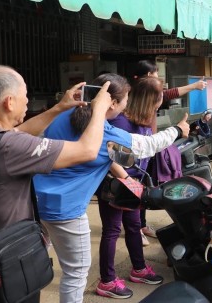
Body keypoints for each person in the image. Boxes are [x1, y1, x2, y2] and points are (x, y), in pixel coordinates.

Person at [33, 73, 189, 303]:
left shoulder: (63, 116)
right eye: (125, 98)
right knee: (76, 273)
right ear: (112, 103)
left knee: (37, 264)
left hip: (35, 202)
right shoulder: (105, 132)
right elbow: (147, 146)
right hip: (65, 210)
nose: (127, 103)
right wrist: (178, 130)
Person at [0, 66, 112, 303]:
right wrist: (99, 110)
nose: (27, 101)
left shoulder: (4, 139)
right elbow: (87, 150)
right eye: (25, 95)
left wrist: (60, 108)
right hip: (7, 258)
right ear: (9, 102)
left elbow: (18, 132)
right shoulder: (10, 146)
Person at [96, 76, 167, 299]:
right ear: (151, 99)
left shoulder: (144, 119)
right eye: (160, 96)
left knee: (134, 226)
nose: (163, 99)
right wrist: (127, 180)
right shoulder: (120, 122)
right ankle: (107, 281)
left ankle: (138, 268)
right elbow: (109, 156)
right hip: (116, 185)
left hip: (134, 185)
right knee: (112, 231)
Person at [132, 59, 206, 242]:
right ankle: (135, 229)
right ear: (149, 76)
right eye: (156, 74)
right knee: (137, 187)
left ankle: (139, 225)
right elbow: (169, 94)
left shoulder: (149, 95)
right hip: (138, 149)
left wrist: (195, 86)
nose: (160, 100)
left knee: (145, 187)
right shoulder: (138, 97)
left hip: (150, 147)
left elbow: (169, 94)